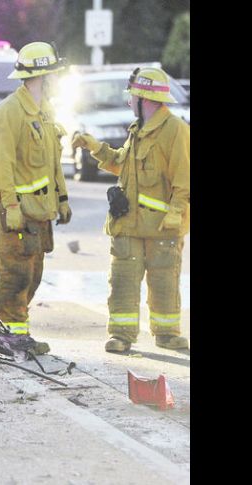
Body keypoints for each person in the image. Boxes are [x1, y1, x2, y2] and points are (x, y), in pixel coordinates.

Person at [72, 67, 190, 352]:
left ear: (145, 98)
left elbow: (184, 176)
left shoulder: (176, 131)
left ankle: (166, 333)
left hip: (162, 226)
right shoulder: (137, 131)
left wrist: (177, 210)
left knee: (163, 280)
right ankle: (121, 335)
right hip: (128, 223)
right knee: (122, 279)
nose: (128, 101)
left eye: (133, 96)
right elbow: (122, 165)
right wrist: (94, 147)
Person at [0, 41, 72, 355]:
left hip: (40, 214)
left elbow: (53, 162)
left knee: (34, 276)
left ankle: (15, 334)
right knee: (16, 276)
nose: (57, 81)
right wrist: (10, 205)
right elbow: (2, 164)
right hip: (18, 214)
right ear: (42, 77)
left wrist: (62, 199)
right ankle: (10, 338)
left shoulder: (44, 113)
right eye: (54, 75)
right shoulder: (9, 112)